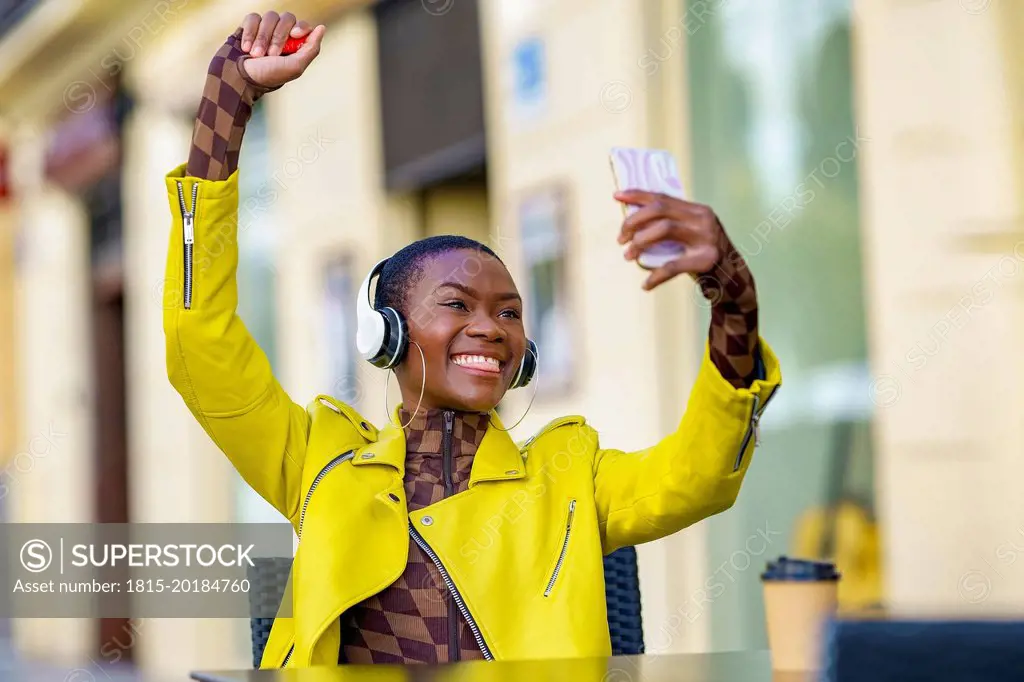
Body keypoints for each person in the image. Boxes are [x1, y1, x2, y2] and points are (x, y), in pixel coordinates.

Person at [161, 12, 782, 668]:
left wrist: (732, 299)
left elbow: (700, 474)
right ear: (386, 333)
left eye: (510, 313)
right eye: (457, 305)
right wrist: (225, 105)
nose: (490, 326)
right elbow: (199, 338)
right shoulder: (317, 459)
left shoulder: (569, 475)